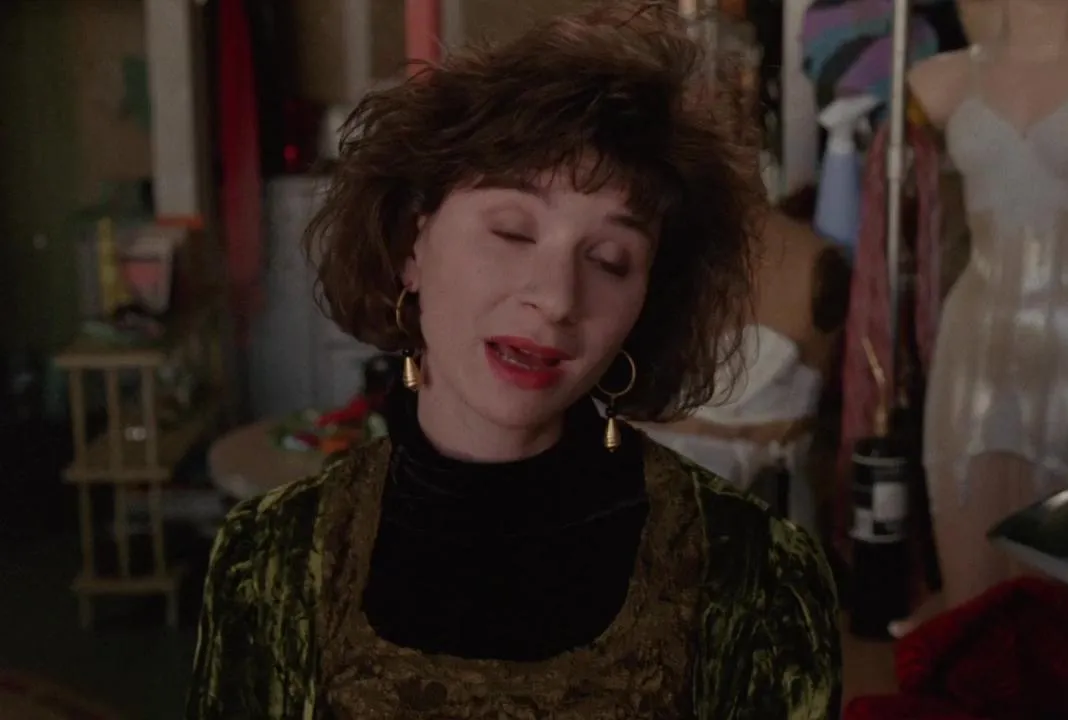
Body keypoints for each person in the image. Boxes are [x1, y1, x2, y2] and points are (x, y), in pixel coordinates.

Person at [185, 3, 842, 718]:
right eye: (511, 231)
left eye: (609, 260)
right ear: (411, 245)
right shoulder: (269, 562)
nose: (556, 299)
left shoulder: (755, 578)